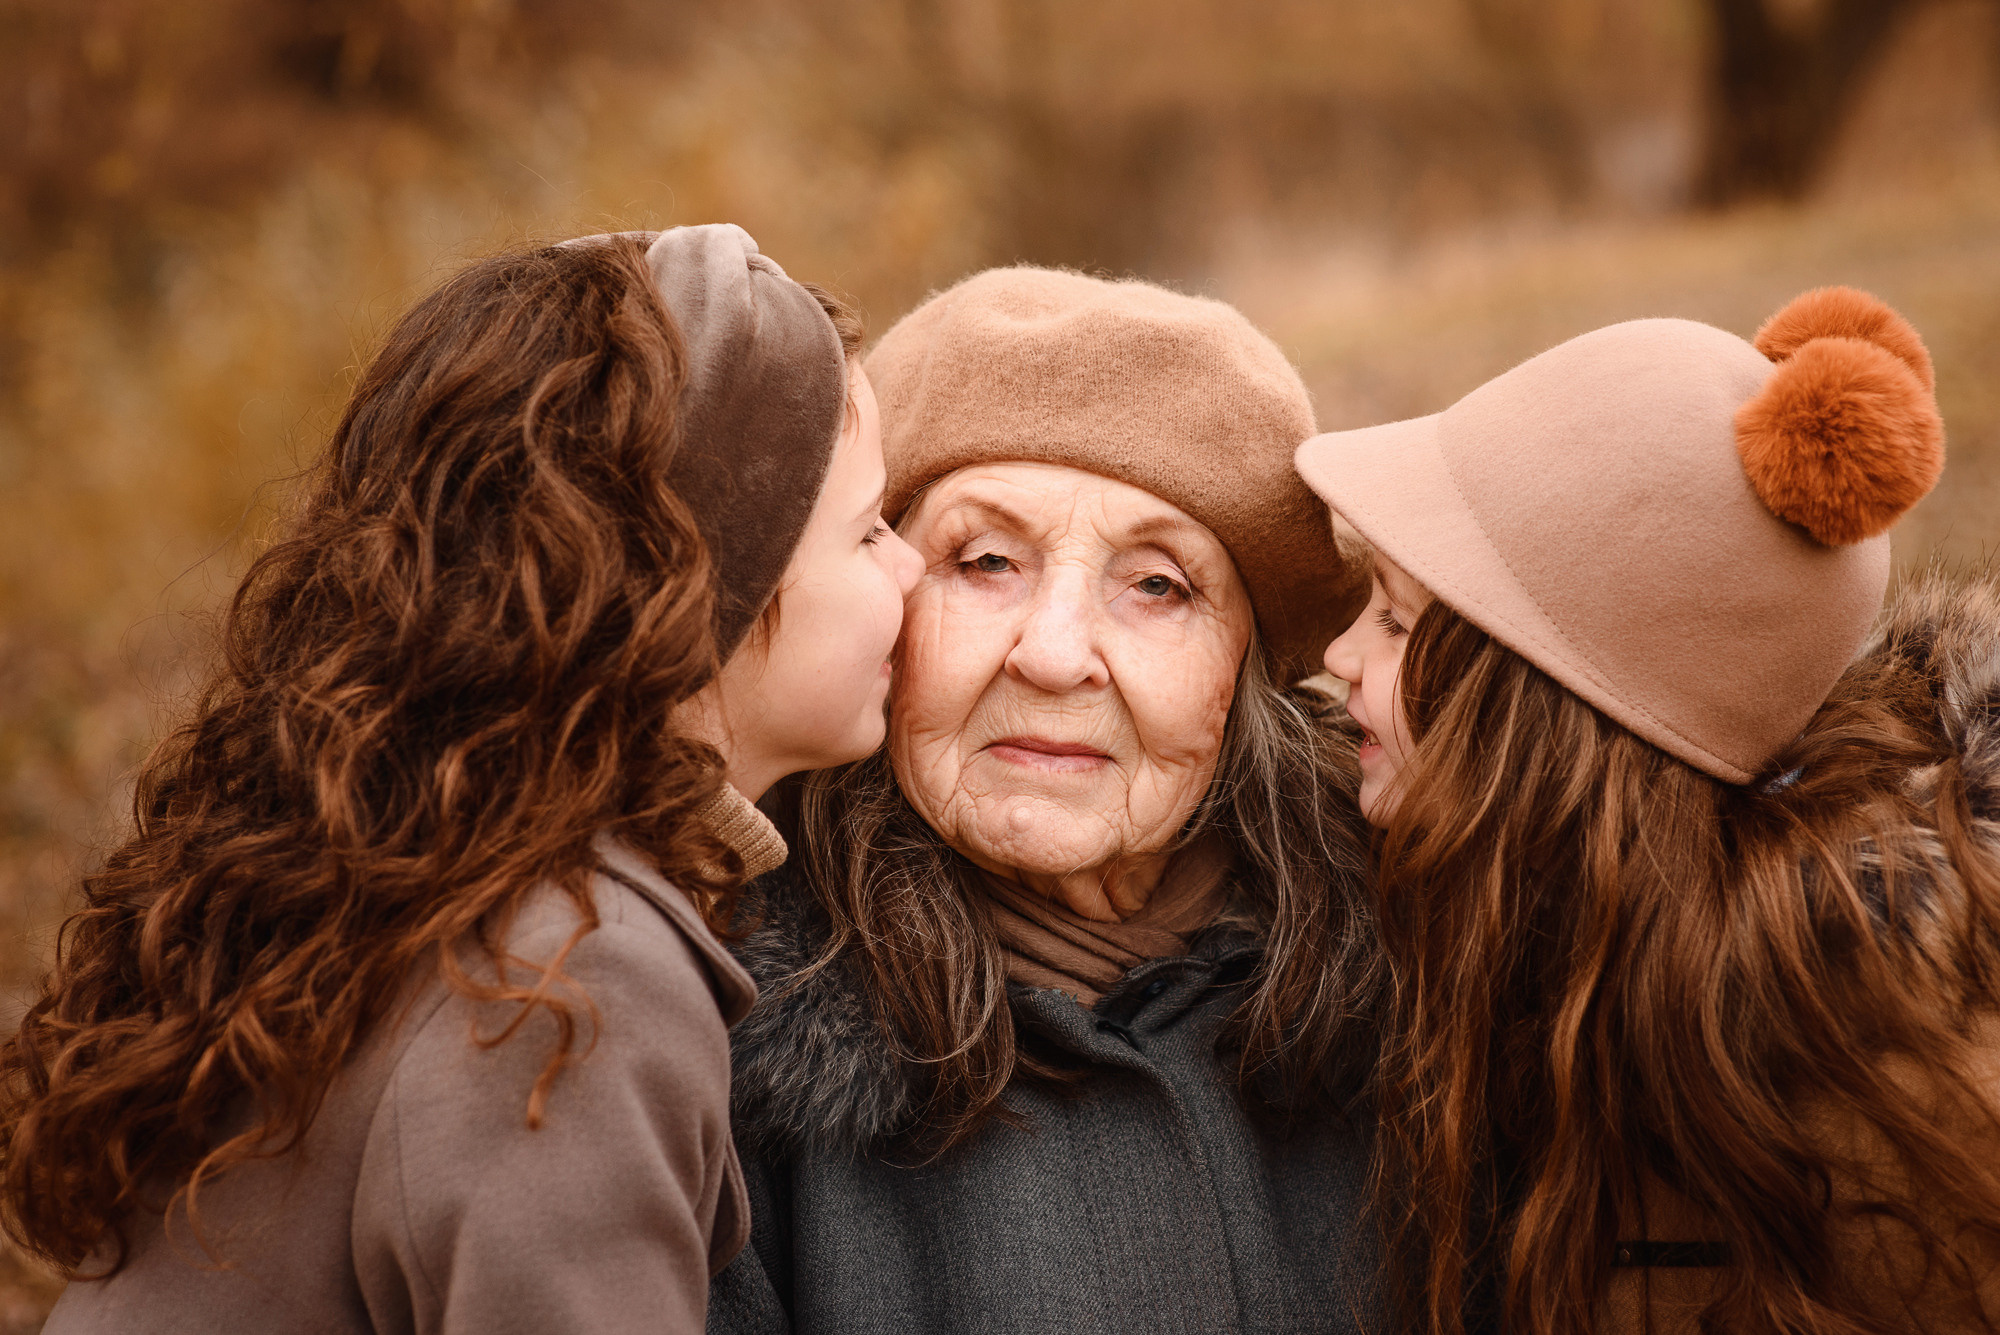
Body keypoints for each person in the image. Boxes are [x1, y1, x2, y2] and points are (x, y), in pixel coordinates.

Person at [2, 224, 921, 1334]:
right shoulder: (568, 981)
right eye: (869, 532)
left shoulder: (418, 888)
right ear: (697, 593)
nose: (911, 566)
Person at [1295, 286, 2000, 1334]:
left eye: (1395, 622)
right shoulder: (1520, 912)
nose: (1336, 657)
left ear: (1548, 725)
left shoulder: (1909, 1081)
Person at [709, 266, 1384, 1335]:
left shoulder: (1428, 991)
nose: (1056, 654)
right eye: (983, 563)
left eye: (1157, 585)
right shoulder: (712, 1045)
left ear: (1243, 671)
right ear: (874, 595)